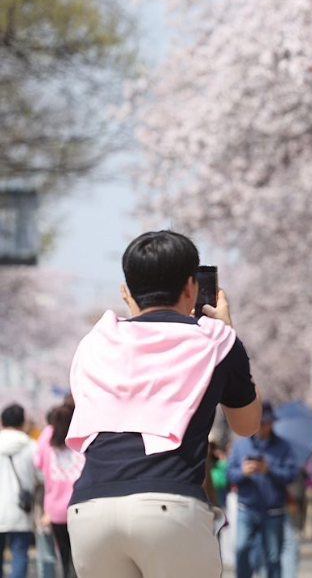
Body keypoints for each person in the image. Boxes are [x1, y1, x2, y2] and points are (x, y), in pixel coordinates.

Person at [66, 230, 262, 578]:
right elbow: (247, 425)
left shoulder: (95, 342)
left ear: (126, 290)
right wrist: (229, 330)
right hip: (168, 506)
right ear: (191, 287)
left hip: (89, 509)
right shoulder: (216, 340)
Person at [228, 402, 299, 578]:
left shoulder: (283, 446)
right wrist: (243, 472)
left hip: (274, 510)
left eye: (266, 422)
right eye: (260, 422)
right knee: (242, 549)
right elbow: (229, 474)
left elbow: (291, 475)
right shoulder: (240, 445)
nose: (263, 427)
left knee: (273, 556)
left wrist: (269, 470)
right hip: (247, 508)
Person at [34, 404, 85, 578]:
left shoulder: (47, 434)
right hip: (82, 505)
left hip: (56, 509)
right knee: (84, 560)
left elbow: (38, 463)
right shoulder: (82, 432)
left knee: (64, 557)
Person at [0, 404, 38, 578]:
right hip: (20, 509)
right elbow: (41, 476)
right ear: (23, 423)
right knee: (20, 553)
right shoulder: (31, 446)